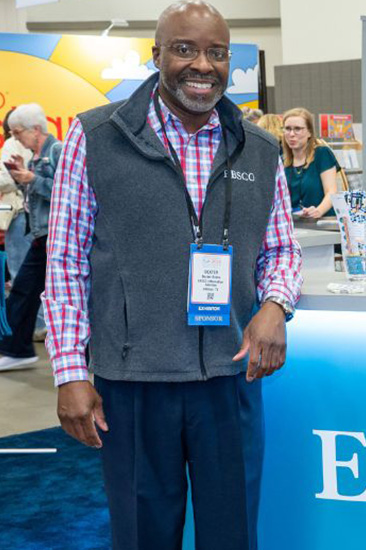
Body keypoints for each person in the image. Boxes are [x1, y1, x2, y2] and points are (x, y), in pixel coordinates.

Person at [44, 2, 302, 549]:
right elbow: (65, 264)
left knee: (232, 534)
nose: (202, 65)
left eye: (216, 52)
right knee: (142, 534)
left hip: (230, 380)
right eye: (185, 49)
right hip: (133, 384)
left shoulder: (257, 147)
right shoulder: (94, 139)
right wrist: (70, 372)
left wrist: (275, 306)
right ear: (155, 54)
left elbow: (281, 248)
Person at [0, 104, 61, 372]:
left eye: (17, 132)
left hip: (55, 237)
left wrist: (31, 178)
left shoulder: (56, 152)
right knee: (23, 291)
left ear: (35, 129)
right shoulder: (37, 157)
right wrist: (25, 176)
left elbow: (67, 191)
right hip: (41, 236)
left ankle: (17, 348)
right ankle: (16, 348)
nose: (15, 139)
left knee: (25, 291)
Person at [282, 107, 343, 218]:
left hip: (322, 223)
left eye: (297, 129)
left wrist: (318, 211)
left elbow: (331, 191)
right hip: (295, 226)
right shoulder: (281, 162)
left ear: (309, 132)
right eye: (287, 128)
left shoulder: (322, 154)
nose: (291, 134)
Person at [0, 109, 32, 279]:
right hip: (36, 214)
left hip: (19, 212)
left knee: (19, 271)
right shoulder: (42, 145)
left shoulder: (12, 144)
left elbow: (6, 177)